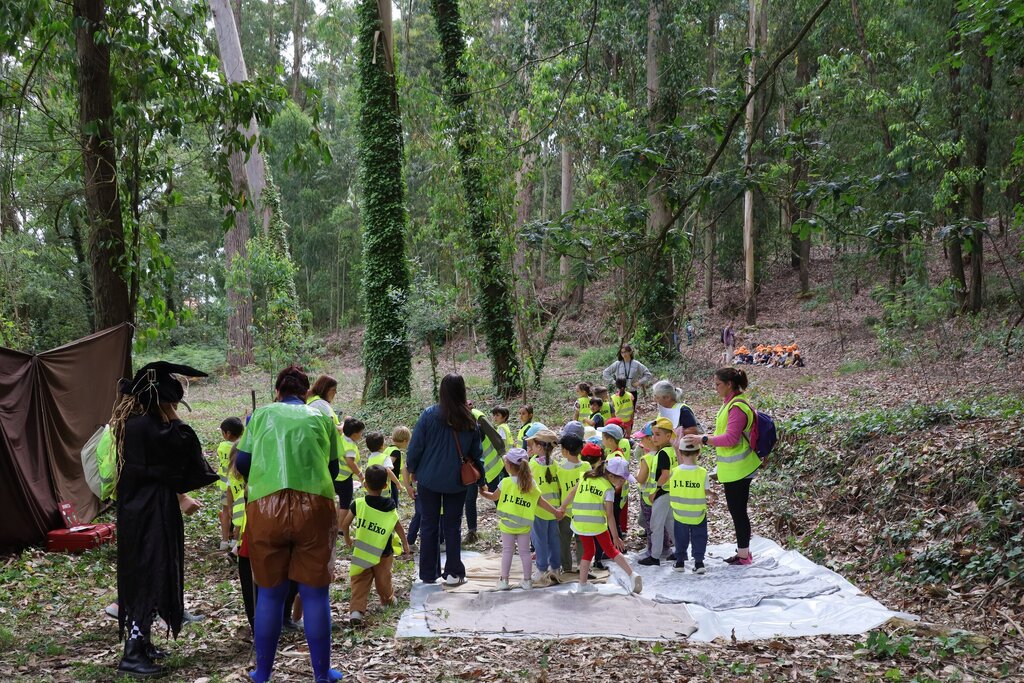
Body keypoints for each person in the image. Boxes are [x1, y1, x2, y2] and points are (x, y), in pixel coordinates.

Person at [234, 365, 343, 683]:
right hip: (315, 508)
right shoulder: (322, 416)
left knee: (269, 593)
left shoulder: (260, 416)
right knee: (315, 594)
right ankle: (322, 674)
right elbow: (334, 469)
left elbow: (242, 463)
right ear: (306, 393)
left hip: (266, 509)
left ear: (278, 393)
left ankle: (262, 673)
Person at [112, 362, 219, 677]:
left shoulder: (134, 422)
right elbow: (186, 443)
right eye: (169, 401)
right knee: (148, 574)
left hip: (139, 510)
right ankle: (133, 652)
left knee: (147, 573)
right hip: (149, 512)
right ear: (158, 401)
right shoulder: (149, 426)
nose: (173, 408)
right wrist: (172, 415)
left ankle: (142, 643)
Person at [406, 374, 484, 586]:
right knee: (452, 526)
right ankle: (453, 572)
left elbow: (416, 447)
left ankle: (428, 573)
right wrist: (481, 480)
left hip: (428, 479)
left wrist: (411, 470)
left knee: (429, 524)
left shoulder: (429, 415)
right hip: (456, 482)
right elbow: (476, 454)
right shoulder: (469, 420)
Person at [682, 367, 761, 567]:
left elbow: (731, 438)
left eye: (718, 384)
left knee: (738, 511)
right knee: (737, 511)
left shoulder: (737, 407)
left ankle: (744, 556)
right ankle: (743, 552)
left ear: (729, 384)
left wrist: (704, 439)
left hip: (740, 468)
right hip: (733, 468)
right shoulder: (729, 404)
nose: (715, 388)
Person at [559, 451, 643, 595]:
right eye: (622, 480)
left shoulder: (585, 476)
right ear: (611, 476)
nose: (622, 483)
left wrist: (562, 507)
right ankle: (631, 574)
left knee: (588, 552)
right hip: (596, 525)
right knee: (611, 550)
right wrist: (615, 537)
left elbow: (572, 492)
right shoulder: (608, 489)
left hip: (579, 523)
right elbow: (609, 515)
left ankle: (582, 585)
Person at [480, 448, 561, 590]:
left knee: (507, 551)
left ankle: (504, 581)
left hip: (507, 525)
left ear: (509, 466)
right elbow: (541, 502)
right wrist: (555, 512)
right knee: (525, 553)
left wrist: (482, 492)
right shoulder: (531, 484)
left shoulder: (505, 482)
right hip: (524, 526)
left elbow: (493, 496)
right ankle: (527, 581)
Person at [340, 465, 410, 625]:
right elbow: (397, 525)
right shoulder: (389, 506)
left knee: (359, 581)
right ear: (385, 486)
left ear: (365, 484)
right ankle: (388, 600)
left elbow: (345, 524)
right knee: (383, 580)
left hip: (362, 552)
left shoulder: (358, 504)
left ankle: (356, 611)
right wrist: (405, 543)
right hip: (383, 553)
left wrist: (348, 540)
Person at [669, 441, 715, 573]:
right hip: (697, 513)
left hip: (680, 513)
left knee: (680, 538)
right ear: (698, 453)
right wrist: (712, 494)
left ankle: (680, 563)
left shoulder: (674, 472)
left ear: (681, 453)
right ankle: (699, 563)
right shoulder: (702, 472)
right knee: (699, 537)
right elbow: (706, 491)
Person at [525, 427, 562, 586]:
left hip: (539, 510)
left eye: (532, 445)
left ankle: (541, 569)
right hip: (554, 510)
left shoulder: (532, 464)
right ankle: (555, 567)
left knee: (539, 541)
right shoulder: (555, 465)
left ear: (539, 447)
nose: (530, 448)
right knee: (554, 539)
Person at [638, 416, 676, 566]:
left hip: (662, 493)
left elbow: (665, 475)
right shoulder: (671, 451)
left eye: (658, 434)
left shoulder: (663, 454)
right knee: (670, 523)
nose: (654, 437)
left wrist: (656, 490)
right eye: (653, 434)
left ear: (668, 436)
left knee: (656, 525)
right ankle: (679, 551)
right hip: (670, 492)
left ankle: (655, 556)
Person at [464, 406, 505, 545]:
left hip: (490, 466)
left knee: (498, 498)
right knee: (469, 500)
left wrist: (503, 454)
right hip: (471, 469)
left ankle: (510, 528)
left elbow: (493, 435)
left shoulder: (477, 415)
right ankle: (472, 532)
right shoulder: (454, 421)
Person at [555, 423, 589, 575]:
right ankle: (583, 568)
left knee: (564, 541)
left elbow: (559, 489)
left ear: (565, 451)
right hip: (583, 512)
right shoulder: (587, 466)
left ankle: (567, 568)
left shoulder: (560, 468)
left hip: (566, 512)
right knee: (582, 541)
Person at [217, 417, 244, 551]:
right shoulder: (243, 446)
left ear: (227, 434)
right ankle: (235, 541)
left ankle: (224, 541)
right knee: (239, 512)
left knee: (226, 512)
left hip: (225, 486)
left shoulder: (222, 446)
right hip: (238, 487)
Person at [365, 432, 404, 504]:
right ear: (382, 445)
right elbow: (388, 471)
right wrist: (398, 484)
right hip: (383, 489)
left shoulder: (370, 458)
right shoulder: (385, 458)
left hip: (372, 489)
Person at [336, 418, 365, 514]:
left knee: (340, 501)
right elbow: (350, 462)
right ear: (354, 435)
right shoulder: (350, 447)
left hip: (336, 474)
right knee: (345, 504)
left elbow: (344, 423)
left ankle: (336, 522)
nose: (361, 435)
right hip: (344, 479)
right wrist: (360, 474)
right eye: (361, 433)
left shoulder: (342, 437)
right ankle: (340, 527)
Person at [385, 426, 414, 505]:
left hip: (387, 481)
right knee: (393, 503)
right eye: (408, 442)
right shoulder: (395, 452)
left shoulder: (388, 449)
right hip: (391, 482)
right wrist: (397, 483)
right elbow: (387, 467)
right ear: (405, 441)